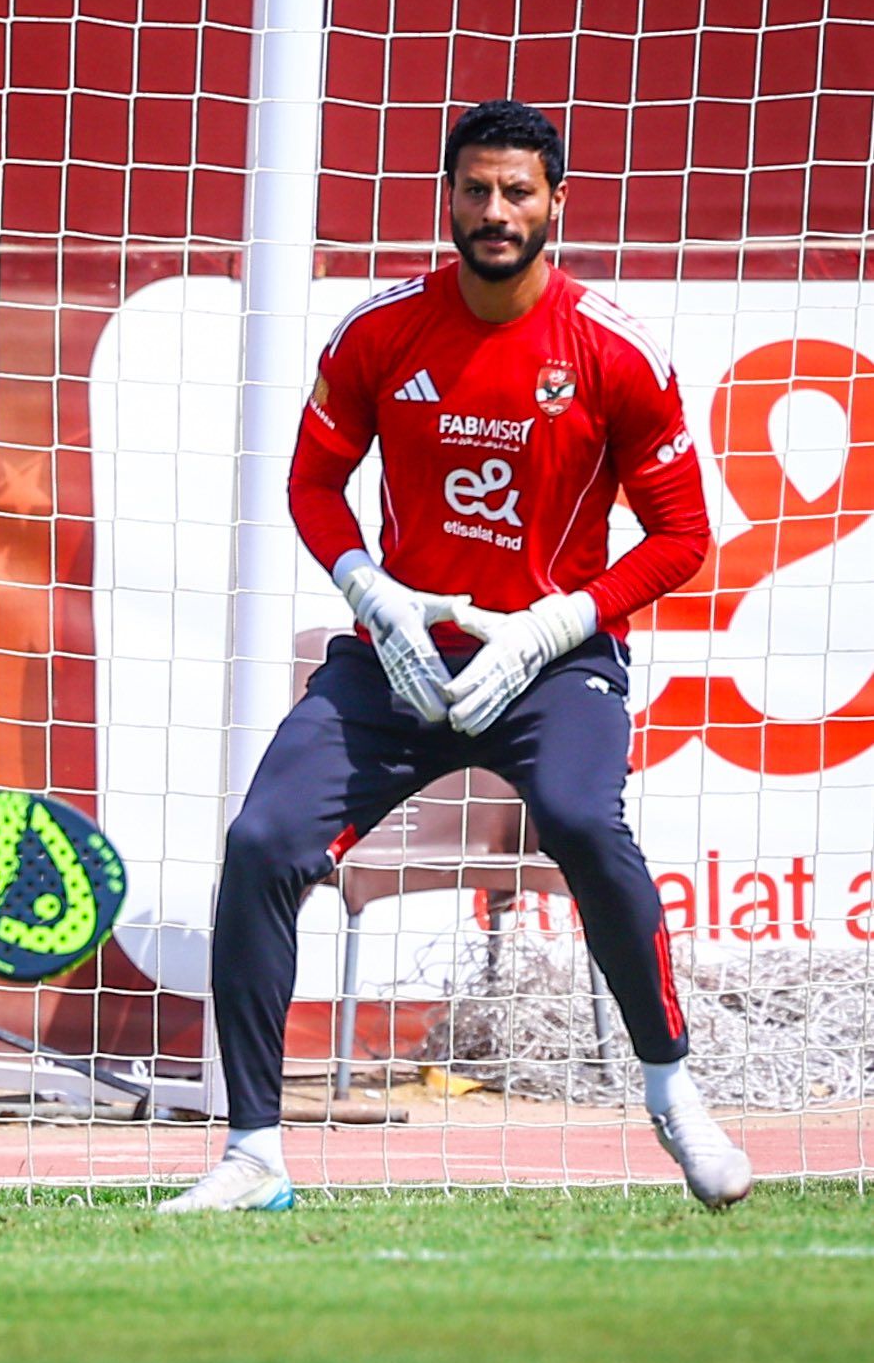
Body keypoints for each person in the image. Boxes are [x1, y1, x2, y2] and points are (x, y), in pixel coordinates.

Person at [162, 99, 751, 1214]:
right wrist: (365, 589)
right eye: (475, 189)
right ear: (447, 198)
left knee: (583, 821)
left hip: (548, 664)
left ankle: (673, 1094)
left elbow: (684, 538)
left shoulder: (616, 350)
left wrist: (553, 623)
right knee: (261, 841)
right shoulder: (381, 332)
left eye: (516, 191)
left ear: (555, 206)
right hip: (399, 665)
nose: (495, 211)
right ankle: (254, 1155)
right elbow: (311, 484)